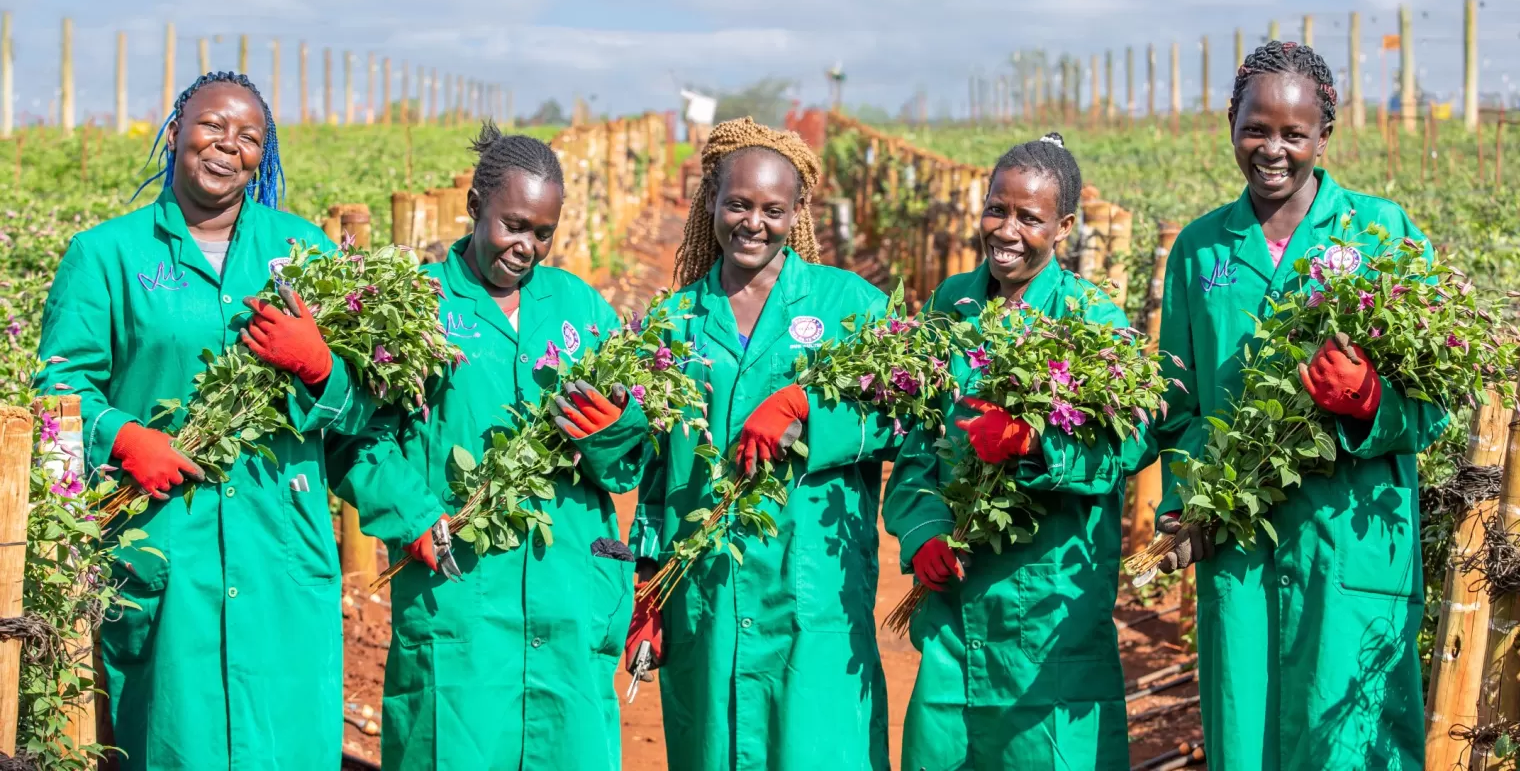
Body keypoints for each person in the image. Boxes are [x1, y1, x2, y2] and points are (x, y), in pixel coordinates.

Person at [38, 72, 375, 771]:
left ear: (265, 155)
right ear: (174, 134)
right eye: (212, 126)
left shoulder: (303, 251)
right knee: (174, 739)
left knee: (288, 743)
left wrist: (322, 369)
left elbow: (363, 409)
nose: (229, 145)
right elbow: (57, 394)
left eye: (249, 136)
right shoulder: (106, 255)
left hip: (280, 540)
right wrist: (124, 438)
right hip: (164, 541)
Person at [1149, 41, 1444, 770]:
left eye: (1294, 133)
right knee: (1245, 736)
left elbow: (1438, 403)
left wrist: (1373, 401)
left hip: (1351, 536)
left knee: (1353, 739)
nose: (1273, 150)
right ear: (1231, 123)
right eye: (1257, 128)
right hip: (1241, 543)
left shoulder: (1383, 234)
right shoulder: (1200, 249)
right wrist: (1189, 499)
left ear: (1325, 135)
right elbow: (1178, 406)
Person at [333, 121, 652, 771]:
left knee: (568, 749)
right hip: (460, 591)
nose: (526, 246)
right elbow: (354, 438)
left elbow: (628, 462)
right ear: (475, 206)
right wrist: (415, 515)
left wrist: (610, 431)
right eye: (513, 224)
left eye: (542, 233)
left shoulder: (580, 308)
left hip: (568, 586)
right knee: (455, 745)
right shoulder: (415, 306)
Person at [628, 117, 901, 771]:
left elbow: (903, 416)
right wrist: (649, 593)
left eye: (773, 210)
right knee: (716, 746)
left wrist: (810, 409)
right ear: (711, 202)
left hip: (815, 585)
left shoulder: (851, 304)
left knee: (818, 747)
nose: (754, 223)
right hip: (706, 594)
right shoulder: (673, 321)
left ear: (797, 212)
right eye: (739, 204)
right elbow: (659, 473)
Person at [882, 133, 1137, 771]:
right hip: (954, 614)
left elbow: (1125, 447)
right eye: (998, 209)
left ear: (1064, 227)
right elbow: (918, 441)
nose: (1008, 230)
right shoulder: (952, 304)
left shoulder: (1092, 319)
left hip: (1049, 606)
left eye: (1030, 218)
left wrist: (1033, 446)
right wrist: (925, 535)